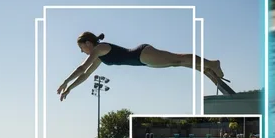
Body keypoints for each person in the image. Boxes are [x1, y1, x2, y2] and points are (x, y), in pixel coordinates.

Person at [57, 31, 226, 101]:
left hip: (141, 54)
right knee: (176, 63)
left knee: (178, 59)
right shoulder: (100, 57)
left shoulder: (99, 48)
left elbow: (81, 68)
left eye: (82, 48)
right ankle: (206, 69)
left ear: (88, 43)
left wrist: (65, 82)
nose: (82, 52)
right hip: (143, 60)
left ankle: (212, 63)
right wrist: (71, 88)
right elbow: (86, 75)